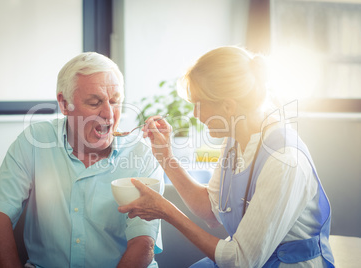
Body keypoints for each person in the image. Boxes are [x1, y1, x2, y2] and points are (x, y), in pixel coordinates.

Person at [119, 46, 335, 267]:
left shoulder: (283, 160)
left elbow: (240, 261)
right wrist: (164, 155)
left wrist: (167, 211)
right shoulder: (234, 140)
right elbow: (210, 211)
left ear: (228, 106)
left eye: (198, 105)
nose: (195, 114)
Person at [0, 52, 164, 268]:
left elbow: (143, 242)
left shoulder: (141, 154)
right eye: (95, 103)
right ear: (65, 104)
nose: (109, 115)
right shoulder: (35, 141)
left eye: (115, 102)